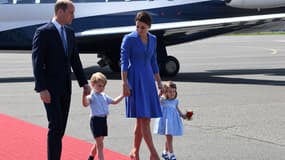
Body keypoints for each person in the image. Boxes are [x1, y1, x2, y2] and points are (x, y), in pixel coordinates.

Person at [31, 0, 91, 160]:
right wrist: (41, 88)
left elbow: (74, 60)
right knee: (55, 125)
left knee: (61, 128)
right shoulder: (43, 32)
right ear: (60, 12)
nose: (74, 16)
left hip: (66, 87)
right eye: (71, 12)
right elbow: (37, 62)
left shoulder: (69, 33)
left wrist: (84, 82)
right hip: (49, 89)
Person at [120, 11, 163, 160]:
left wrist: (159, 82)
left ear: (149, 27)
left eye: (142, 27)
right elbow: (124, 63)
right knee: (143, 118)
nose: (139, 30)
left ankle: (135, 152)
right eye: (137, 26)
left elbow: (154, 62)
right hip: (135, 80)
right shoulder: (129, 39)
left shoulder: (153, 39)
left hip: (148, 81)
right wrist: (125, 83)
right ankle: (154, 154)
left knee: (144, 119)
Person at [82, 72, 124, 160]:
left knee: (99, 142)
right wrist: (84, 95)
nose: (101, 88)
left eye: (103, 86)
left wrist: (123, 95)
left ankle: (90, 157)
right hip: (96, 120)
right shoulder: (92, 96)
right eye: (99, 86)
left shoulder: (104, 95)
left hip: (103, 120)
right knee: (100, 145)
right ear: (93, 84)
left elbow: (114, 101)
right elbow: (85, 104)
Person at [153, 81, 186, 160]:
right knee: (169, 137)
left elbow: (177, 109)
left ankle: (165, 153)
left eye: (174, 91)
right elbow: (155, 101)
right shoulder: (163, 100)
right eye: (170, 91)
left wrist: (183, 115)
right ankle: (171, 155)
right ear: (165, 92)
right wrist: (159, 94)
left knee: (169, 138)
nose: (172, 93)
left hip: (172, 121)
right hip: (166, 121)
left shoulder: (175, 101)